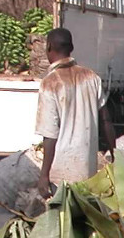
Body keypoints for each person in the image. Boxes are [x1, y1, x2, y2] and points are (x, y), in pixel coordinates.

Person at [36, 28, 113, 196]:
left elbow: (50, 135)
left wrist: (44, 174)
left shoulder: (50, 83)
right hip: (88, 172)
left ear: (48, 47)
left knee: (63, 212)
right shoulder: (92, 77)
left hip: (60, 175)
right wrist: (114, 154)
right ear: (71, 48)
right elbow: (106, 120)